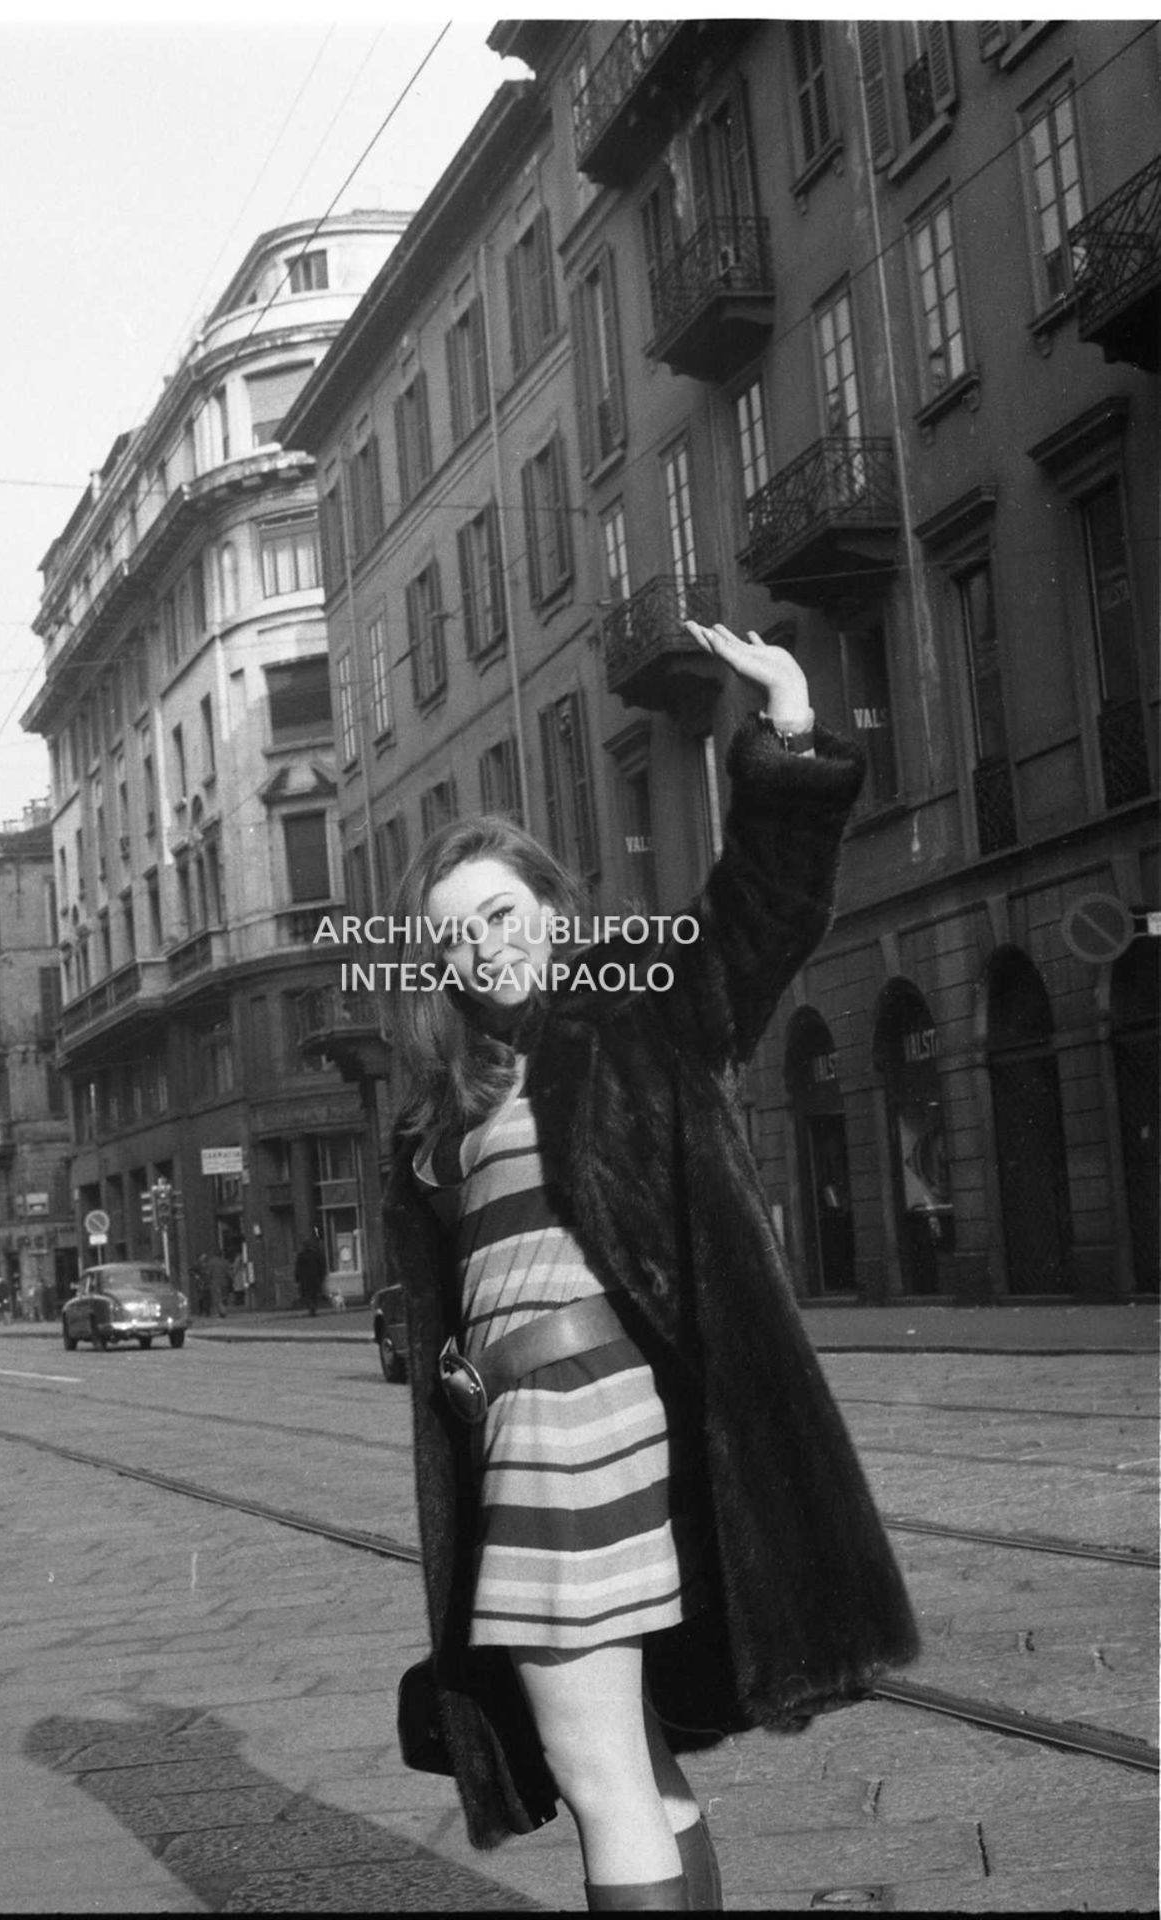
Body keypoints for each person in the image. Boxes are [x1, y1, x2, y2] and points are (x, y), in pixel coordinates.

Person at [381, 624, 920, 1911]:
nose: (486, 949)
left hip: (587, 1426)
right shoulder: (445, 1112)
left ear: (555, 910)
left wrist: (785, 727)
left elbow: (758, 912)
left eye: (503, 914)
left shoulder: (636, 1010)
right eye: (457, 939)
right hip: (520, 1435)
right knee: (632, 1754)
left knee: (591, 1762)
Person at [295, 1235, 327, 1316]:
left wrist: (297, 1278)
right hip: (315, 1278)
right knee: (314, 1294)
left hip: (305, 1279)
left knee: (307, 1294)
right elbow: (321, 1266)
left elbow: (298, 1268)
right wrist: (322, 1276)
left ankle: (310, 1307)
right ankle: (313, 1307)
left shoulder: (301, 1255)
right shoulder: (316, 1254)